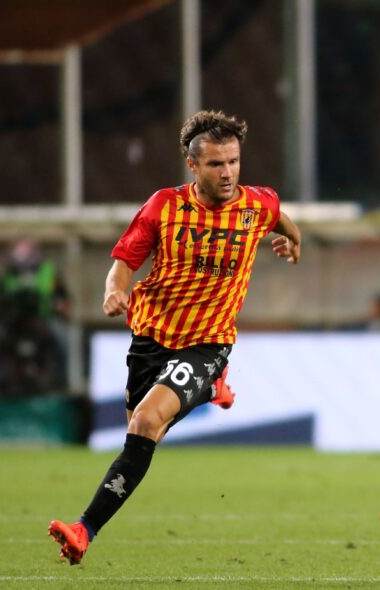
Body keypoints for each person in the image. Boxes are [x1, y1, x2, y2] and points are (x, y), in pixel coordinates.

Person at [48, 110, 302, 565]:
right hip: (152, 334)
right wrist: (114, 292)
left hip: (209, 339)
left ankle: (84, 529)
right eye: (215, 164)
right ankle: (207, 387)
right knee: (144, 433)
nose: (227, 173)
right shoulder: (163, 206)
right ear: (192, 165)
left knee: (145, 422)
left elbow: (283, 221)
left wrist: (292, 242)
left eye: (233, 162)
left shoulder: (256, 205)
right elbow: (125, 261)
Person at [0, 239, 70, 395]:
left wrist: (58, 306)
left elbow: (63, 299)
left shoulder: (48, 272)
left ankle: (62, 382)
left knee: (60, 335)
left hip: (43, 320)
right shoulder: (7, 275)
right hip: (13, 324)